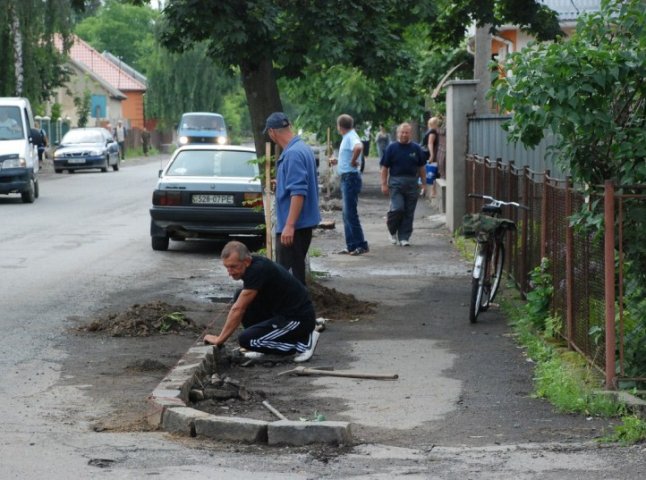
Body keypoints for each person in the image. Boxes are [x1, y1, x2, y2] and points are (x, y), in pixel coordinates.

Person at [203, 241, 320, 363]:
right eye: (227, 267)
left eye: (233, 266)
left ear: (247, 261)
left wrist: (220, 339)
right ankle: (265, 347)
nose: (230, 272)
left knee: (247, 340)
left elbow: (238, 309)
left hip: (298, 319)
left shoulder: (257, 270)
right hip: (279, 313)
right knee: (239, 295)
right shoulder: (253, 266)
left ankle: (304, 343)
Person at [264, 112, 321, 285]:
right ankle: (298, 309)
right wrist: (281, 182)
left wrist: (289, 226)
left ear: (272, 132)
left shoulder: (293, 154)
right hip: (301, 225)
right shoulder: (302, 148)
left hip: (294, 227)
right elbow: (299, 183)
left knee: (283, 278)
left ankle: (294, 310)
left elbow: (298, 192)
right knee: (295, 274)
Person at [380, 122, 426, 247]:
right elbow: (384, 167)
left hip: (412, 183)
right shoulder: (391, 148)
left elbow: (421, 167)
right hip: (396, 182)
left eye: (407, 132)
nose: (404, 134)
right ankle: (392, 230)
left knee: (409, 212)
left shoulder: (416, 148)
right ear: (398, 133)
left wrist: (423, 183)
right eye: (402, 132)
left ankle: (404, 237)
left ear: (410, 134)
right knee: (398, 208)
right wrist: (384, 184)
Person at [329, 114, 369, 256]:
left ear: (340, 126)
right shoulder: (348, 136)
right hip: (347, 177)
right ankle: (351, 245)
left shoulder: (351, 136)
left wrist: (352, 162)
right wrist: (338, 161)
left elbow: (359, 147)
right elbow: (351, 151)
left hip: (350, 178)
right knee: (346, 214)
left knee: (350, 213)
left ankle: (360, 245)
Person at [422, 117, 441, 197]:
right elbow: (430, 143)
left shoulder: (429, 131)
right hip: (429, 154)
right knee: (433, 171)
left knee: (428, 170)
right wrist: (432, 155)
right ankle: (432, 191)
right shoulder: (433, 132)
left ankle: (424, 188)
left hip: (426, 153)